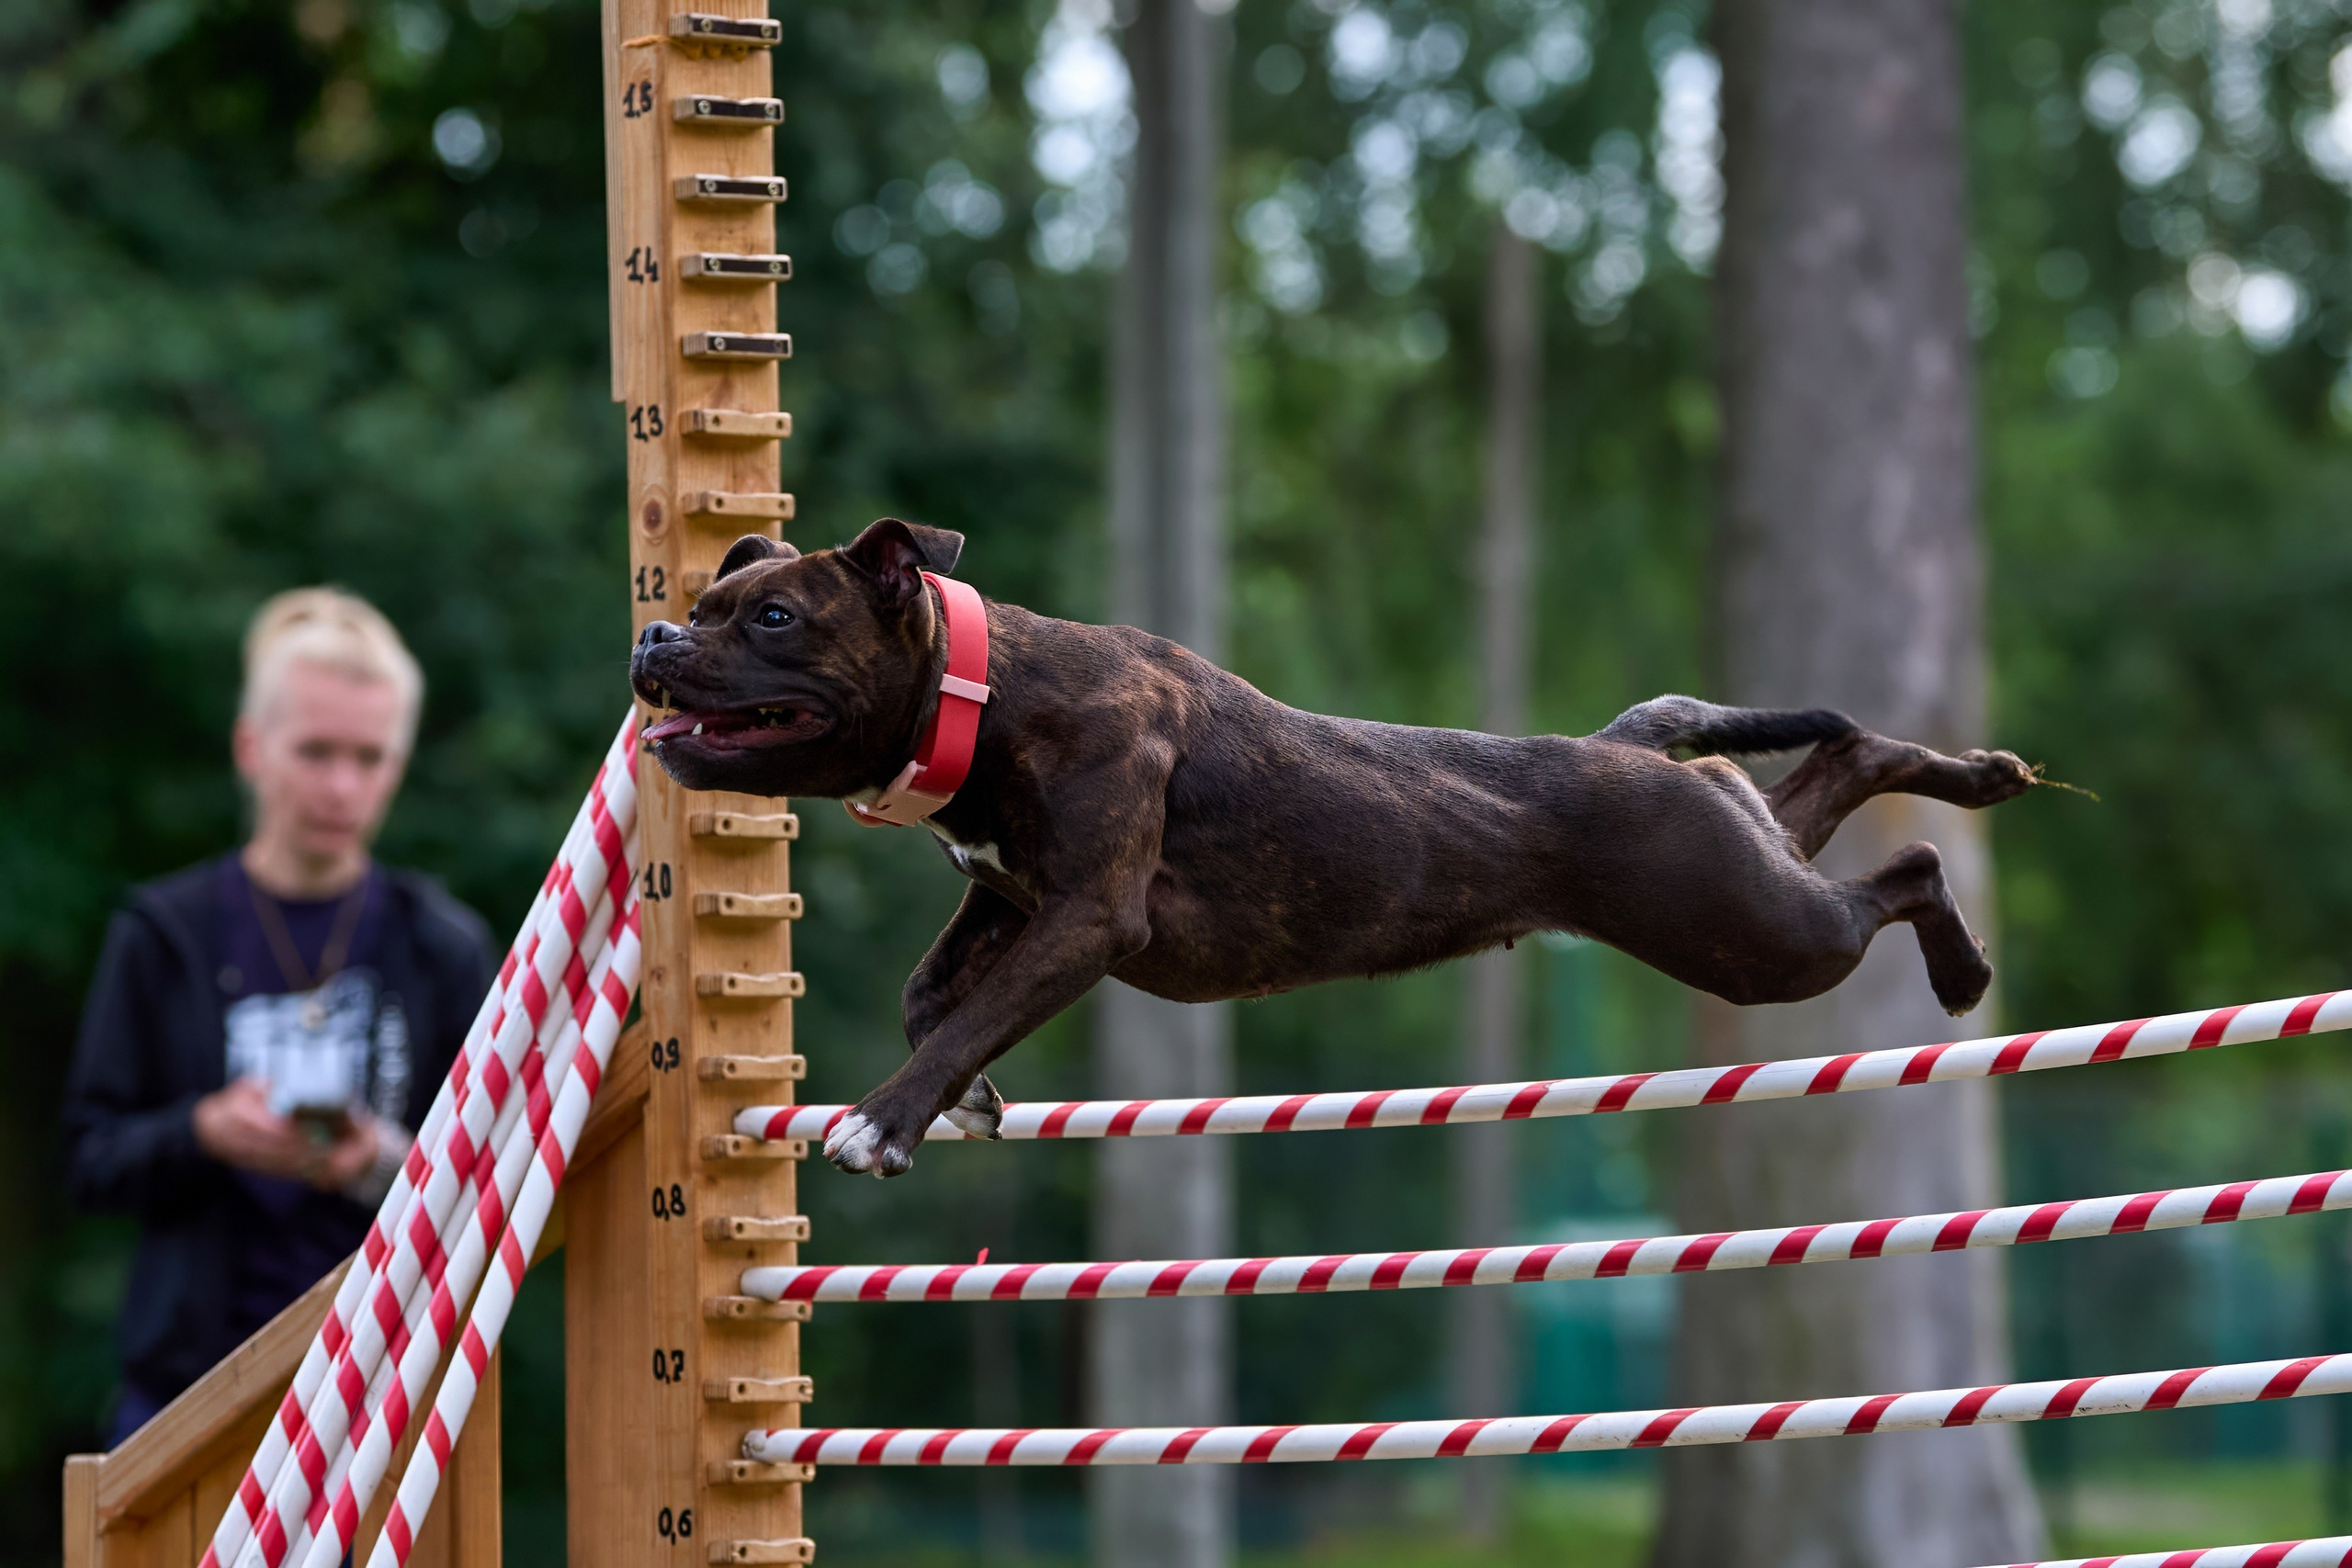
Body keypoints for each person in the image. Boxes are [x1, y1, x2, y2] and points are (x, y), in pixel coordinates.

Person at [63, 588, 494, 1446]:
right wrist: (205, 1131)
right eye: (316, 751)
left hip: (377, 1396)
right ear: (251, 748)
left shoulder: (441, 944)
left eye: (369, 757)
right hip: (182, 1402)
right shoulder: (163, 931)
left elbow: (492, 1193)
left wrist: (379, 1159)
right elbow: (89, 1157)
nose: (343, 785)